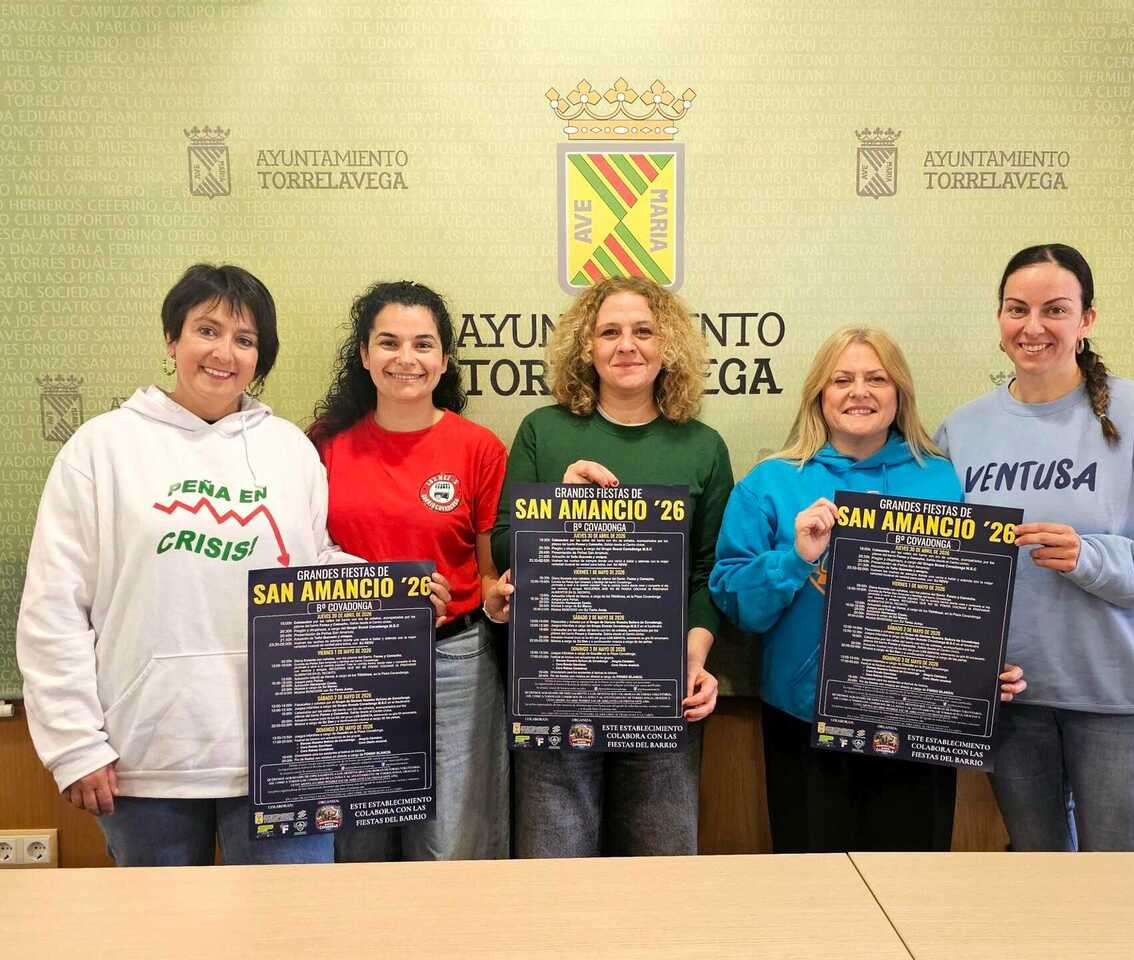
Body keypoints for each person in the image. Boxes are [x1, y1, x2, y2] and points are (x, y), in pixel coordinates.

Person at [14, 263, 434, 866]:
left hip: (285, 753)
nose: (224, 353)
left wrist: (395, 595)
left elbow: (313, 564)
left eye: (244, 339)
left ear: (259, 357)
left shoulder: (288, 448)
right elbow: (53, 607)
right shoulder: (100, 449)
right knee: (161, 925)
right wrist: (74, 745)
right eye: (206, 331)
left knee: (290, 922)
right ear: (172, 340)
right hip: (145, 760)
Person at [936, 243, 1134, 851]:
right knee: (1040, 878)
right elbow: (941, 568)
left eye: (1055, 309)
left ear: (1086, 319)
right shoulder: (961, 430)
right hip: (1012, 701)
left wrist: (1093, 558)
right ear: (999, 318)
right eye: (1017, 309)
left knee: (1119, 882)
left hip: (1125, 699)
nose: (1033, 326)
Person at [710, 326, 1027, 853]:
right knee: (814, 879)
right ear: (819, 393)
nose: (860, 391)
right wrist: (795, 558)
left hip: (918, 716)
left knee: (913, 879)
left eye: (877, 379)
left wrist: (979, 668)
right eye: (842, 380)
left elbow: (965, 602)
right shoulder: (770, 483)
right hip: (804, 718)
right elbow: (738, 606)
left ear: (899, 393)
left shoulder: (943, 480)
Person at [487, 275, 733, 858]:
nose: (627, 345)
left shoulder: (703, 446)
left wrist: (694, 658)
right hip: (556, 683)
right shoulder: (543, 431)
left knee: (660, 869)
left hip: (661, 687)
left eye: (643, 331)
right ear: (586, 346)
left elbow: (709, 572)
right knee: (556, 870)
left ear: (667, 344)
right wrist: (562, 505)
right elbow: (504, 546)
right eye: (609, 332)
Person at [310, 280, 508, 862]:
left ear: (444, 360)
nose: (406, 358)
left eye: (423, 344)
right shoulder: (323, 447)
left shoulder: (479, 448)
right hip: (349, 661)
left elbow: (488, 572)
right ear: (364, 354)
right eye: (389, 342)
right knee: (356, 844)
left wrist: (498, 599)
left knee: (450, 845)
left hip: (455, 661)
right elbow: (301, 558)